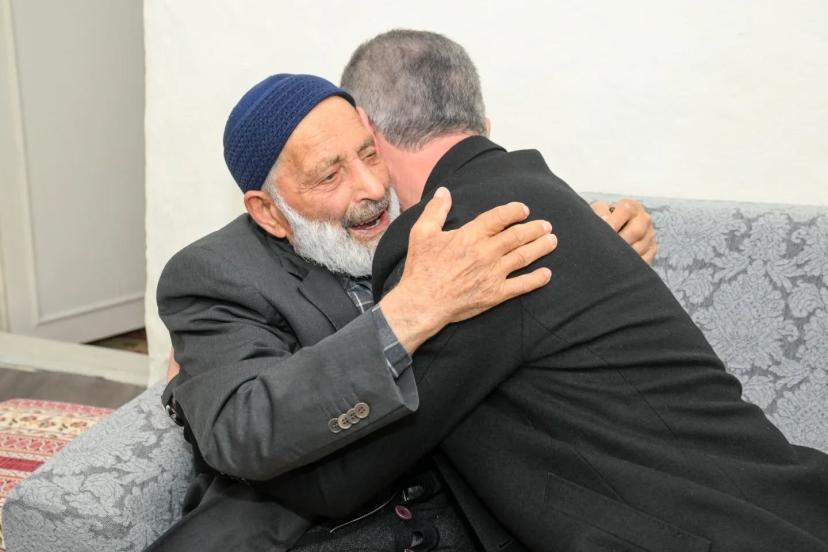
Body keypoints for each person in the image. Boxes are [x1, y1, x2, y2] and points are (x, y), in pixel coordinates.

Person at [253, 30, 828, 552]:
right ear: (478, 115)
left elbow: (338, 479)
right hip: (784, 502)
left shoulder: (456, 243)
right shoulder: (545, 195)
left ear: (368, 132)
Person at [152, 75, 657, 552]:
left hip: (471, 520)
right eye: (330, 175)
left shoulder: (431, 212)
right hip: (319, 533)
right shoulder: (215, 273)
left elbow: (523, 260)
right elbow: (244, 429)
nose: (372, 187)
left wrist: (597, 241)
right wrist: (408, 313)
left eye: (369, 153)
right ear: (268, 211)